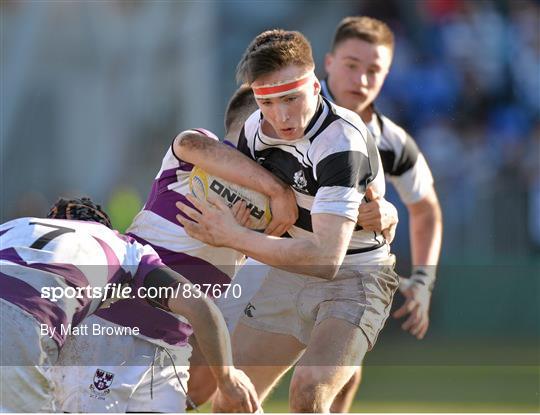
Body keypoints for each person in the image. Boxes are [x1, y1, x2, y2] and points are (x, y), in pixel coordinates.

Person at [177, 29, 399, 412]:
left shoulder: (340, 142)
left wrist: (234, 235)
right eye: (267, 102)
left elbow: (326, 259)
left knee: (309, 390)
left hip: (356, 276)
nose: (281, 115)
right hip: (287, 273)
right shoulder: (252, 131)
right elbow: (259, 208)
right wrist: (244, 224)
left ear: (315, 86)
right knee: (231, 398)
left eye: (291, 98)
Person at [51, 91, 297, 412]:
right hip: (113, 328)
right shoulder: (199, 149)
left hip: (169, 349)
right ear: (257, 123)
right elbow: (189, 143)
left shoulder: (264, 207)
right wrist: (279, 192)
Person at [0, 197, 259, 412]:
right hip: (23, 326)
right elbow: (199, 307)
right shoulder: (125, 248)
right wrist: (227, 379)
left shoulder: (13, 227)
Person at [321, 16, 443, 411]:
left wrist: (423, 279)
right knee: (219, 387)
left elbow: (426, 210)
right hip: (275, 265)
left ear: (387, 74)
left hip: (347, 274)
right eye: (351, 64)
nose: (361, 78)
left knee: (337, 376)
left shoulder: (393, 142)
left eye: (374, 70)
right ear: (328, 62)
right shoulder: (290, 114)